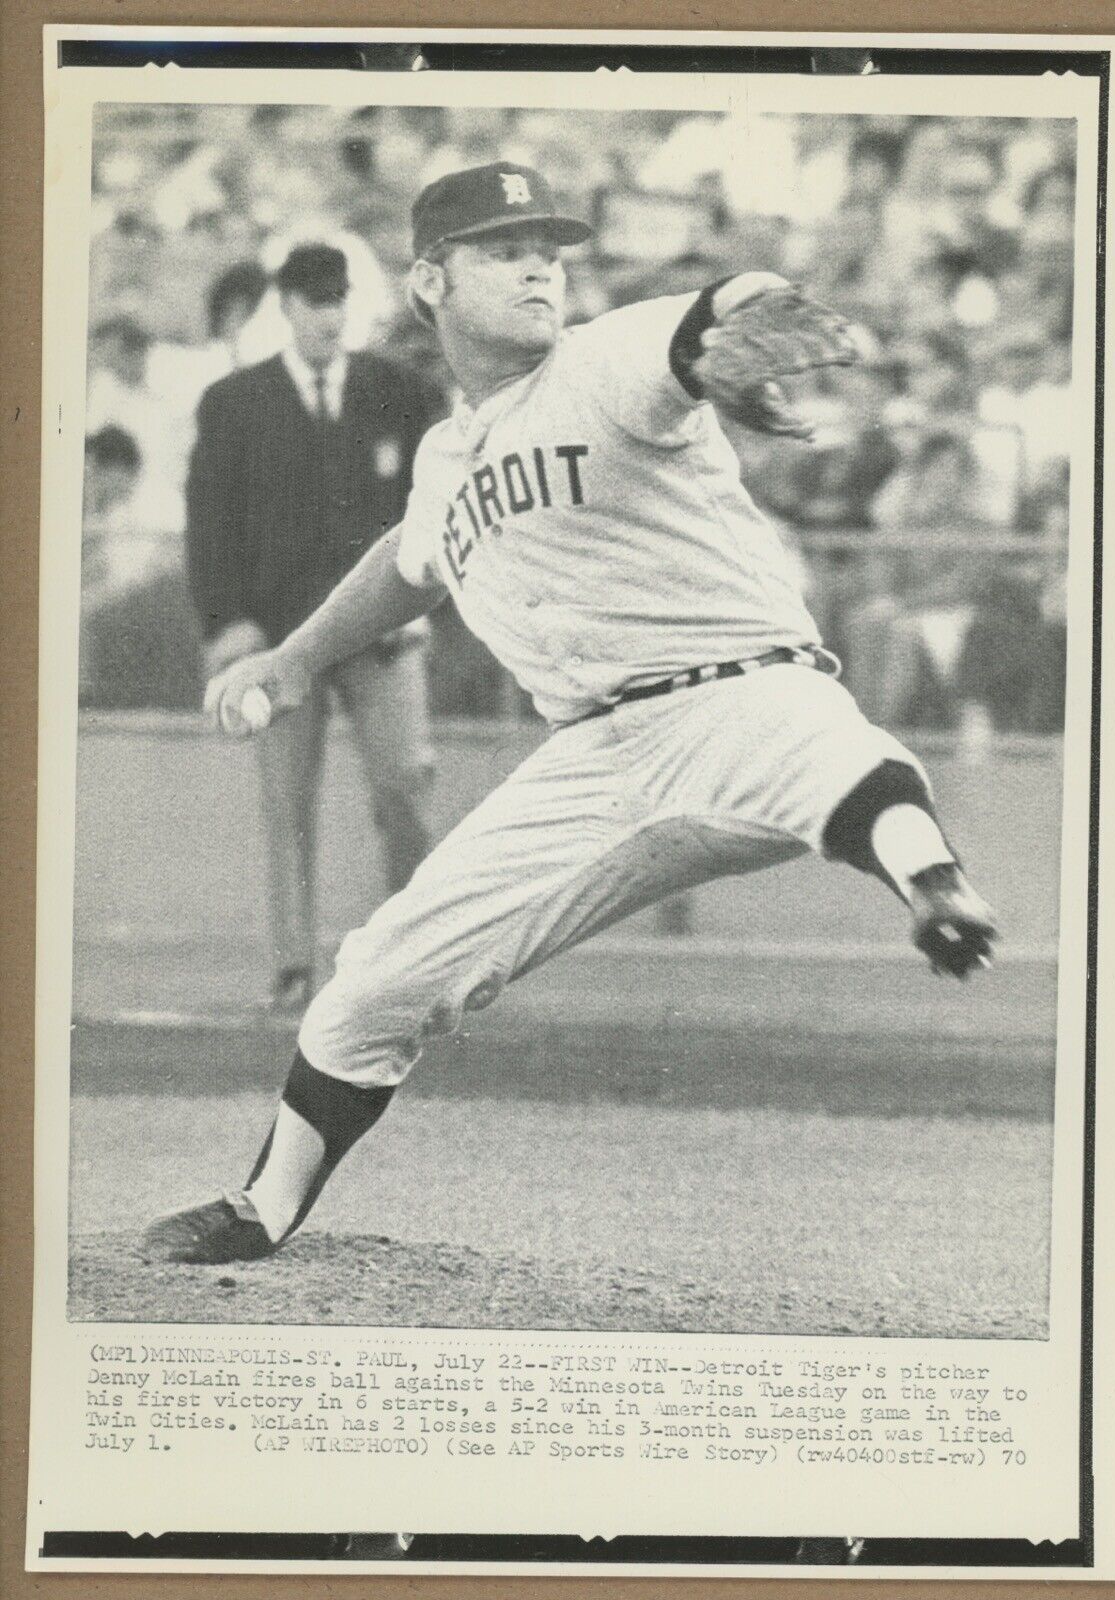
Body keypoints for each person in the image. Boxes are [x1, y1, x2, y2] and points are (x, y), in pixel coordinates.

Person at [148, 162, 997, 1265]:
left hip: (738, 684)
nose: (539, 264)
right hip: (590, 756)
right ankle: (264, 1204)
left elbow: (710, 315)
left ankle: (935, 887)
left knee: (833, 749)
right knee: (378, 973)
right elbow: (407, 566)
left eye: (548, 245)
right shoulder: (448, 456)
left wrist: (745, 313)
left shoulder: (603, 360)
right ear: (430, 282)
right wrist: (300, 655)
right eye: (504, 249)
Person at [184, 242, 440, 1012]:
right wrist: (227, 625)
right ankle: (295, 967)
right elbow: (209, 522)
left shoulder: (399, 391)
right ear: (287, 308)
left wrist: (427, 608)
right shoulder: (235, 402)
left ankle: (411, 960)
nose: (329, 315)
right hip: (278, 636)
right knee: (286, 802)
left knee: (405, 789)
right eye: (314, 301)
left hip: (382, 631)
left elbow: (436, 509)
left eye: (338, 299)